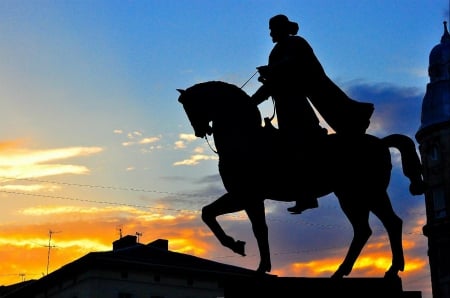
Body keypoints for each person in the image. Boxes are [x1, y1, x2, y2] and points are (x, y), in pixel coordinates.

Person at [252, 14, 374, 214]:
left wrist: (272, 70)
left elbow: (296, 65)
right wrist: (251, 101)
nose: (271, 33)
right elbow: (274, 83)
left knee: (297, 146)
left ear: (283, 29)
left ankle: (307, 194)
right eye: (270, 29)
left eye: (273, 29)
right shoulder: (275, 52)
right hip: (284, 110)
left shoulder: (297, 44)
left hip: (298, 110)